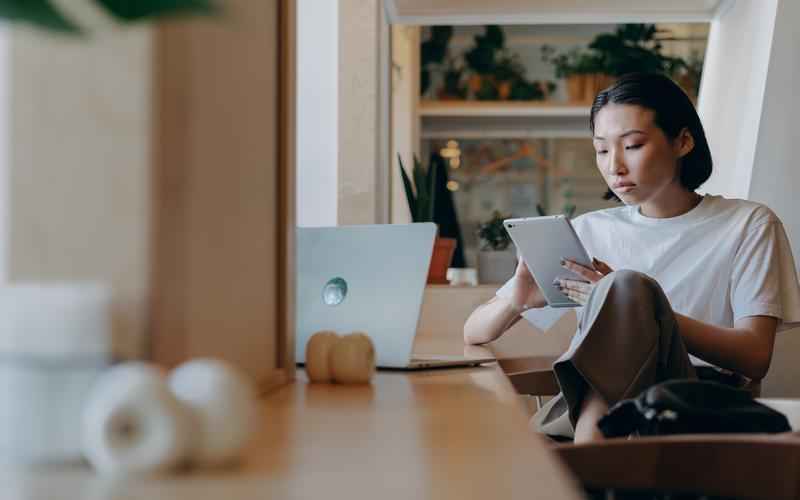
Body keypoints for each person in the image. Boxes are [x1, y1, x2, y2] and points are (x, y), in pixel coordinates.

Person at [463, 72, 800, 443]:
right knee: (622, 291)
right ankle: (597, 453)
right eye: (602, 149)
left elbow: (754, 357)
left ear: (683, 141)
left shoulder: (748, 223)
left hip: (694, 404)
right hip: (602, 398)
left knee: (627, 285)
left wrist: (638, 306)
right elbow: (475, 331)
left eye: (633, 145)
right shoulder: (588, 231)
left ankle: (592, 453)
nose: (614, 166)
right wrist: (517, 301)